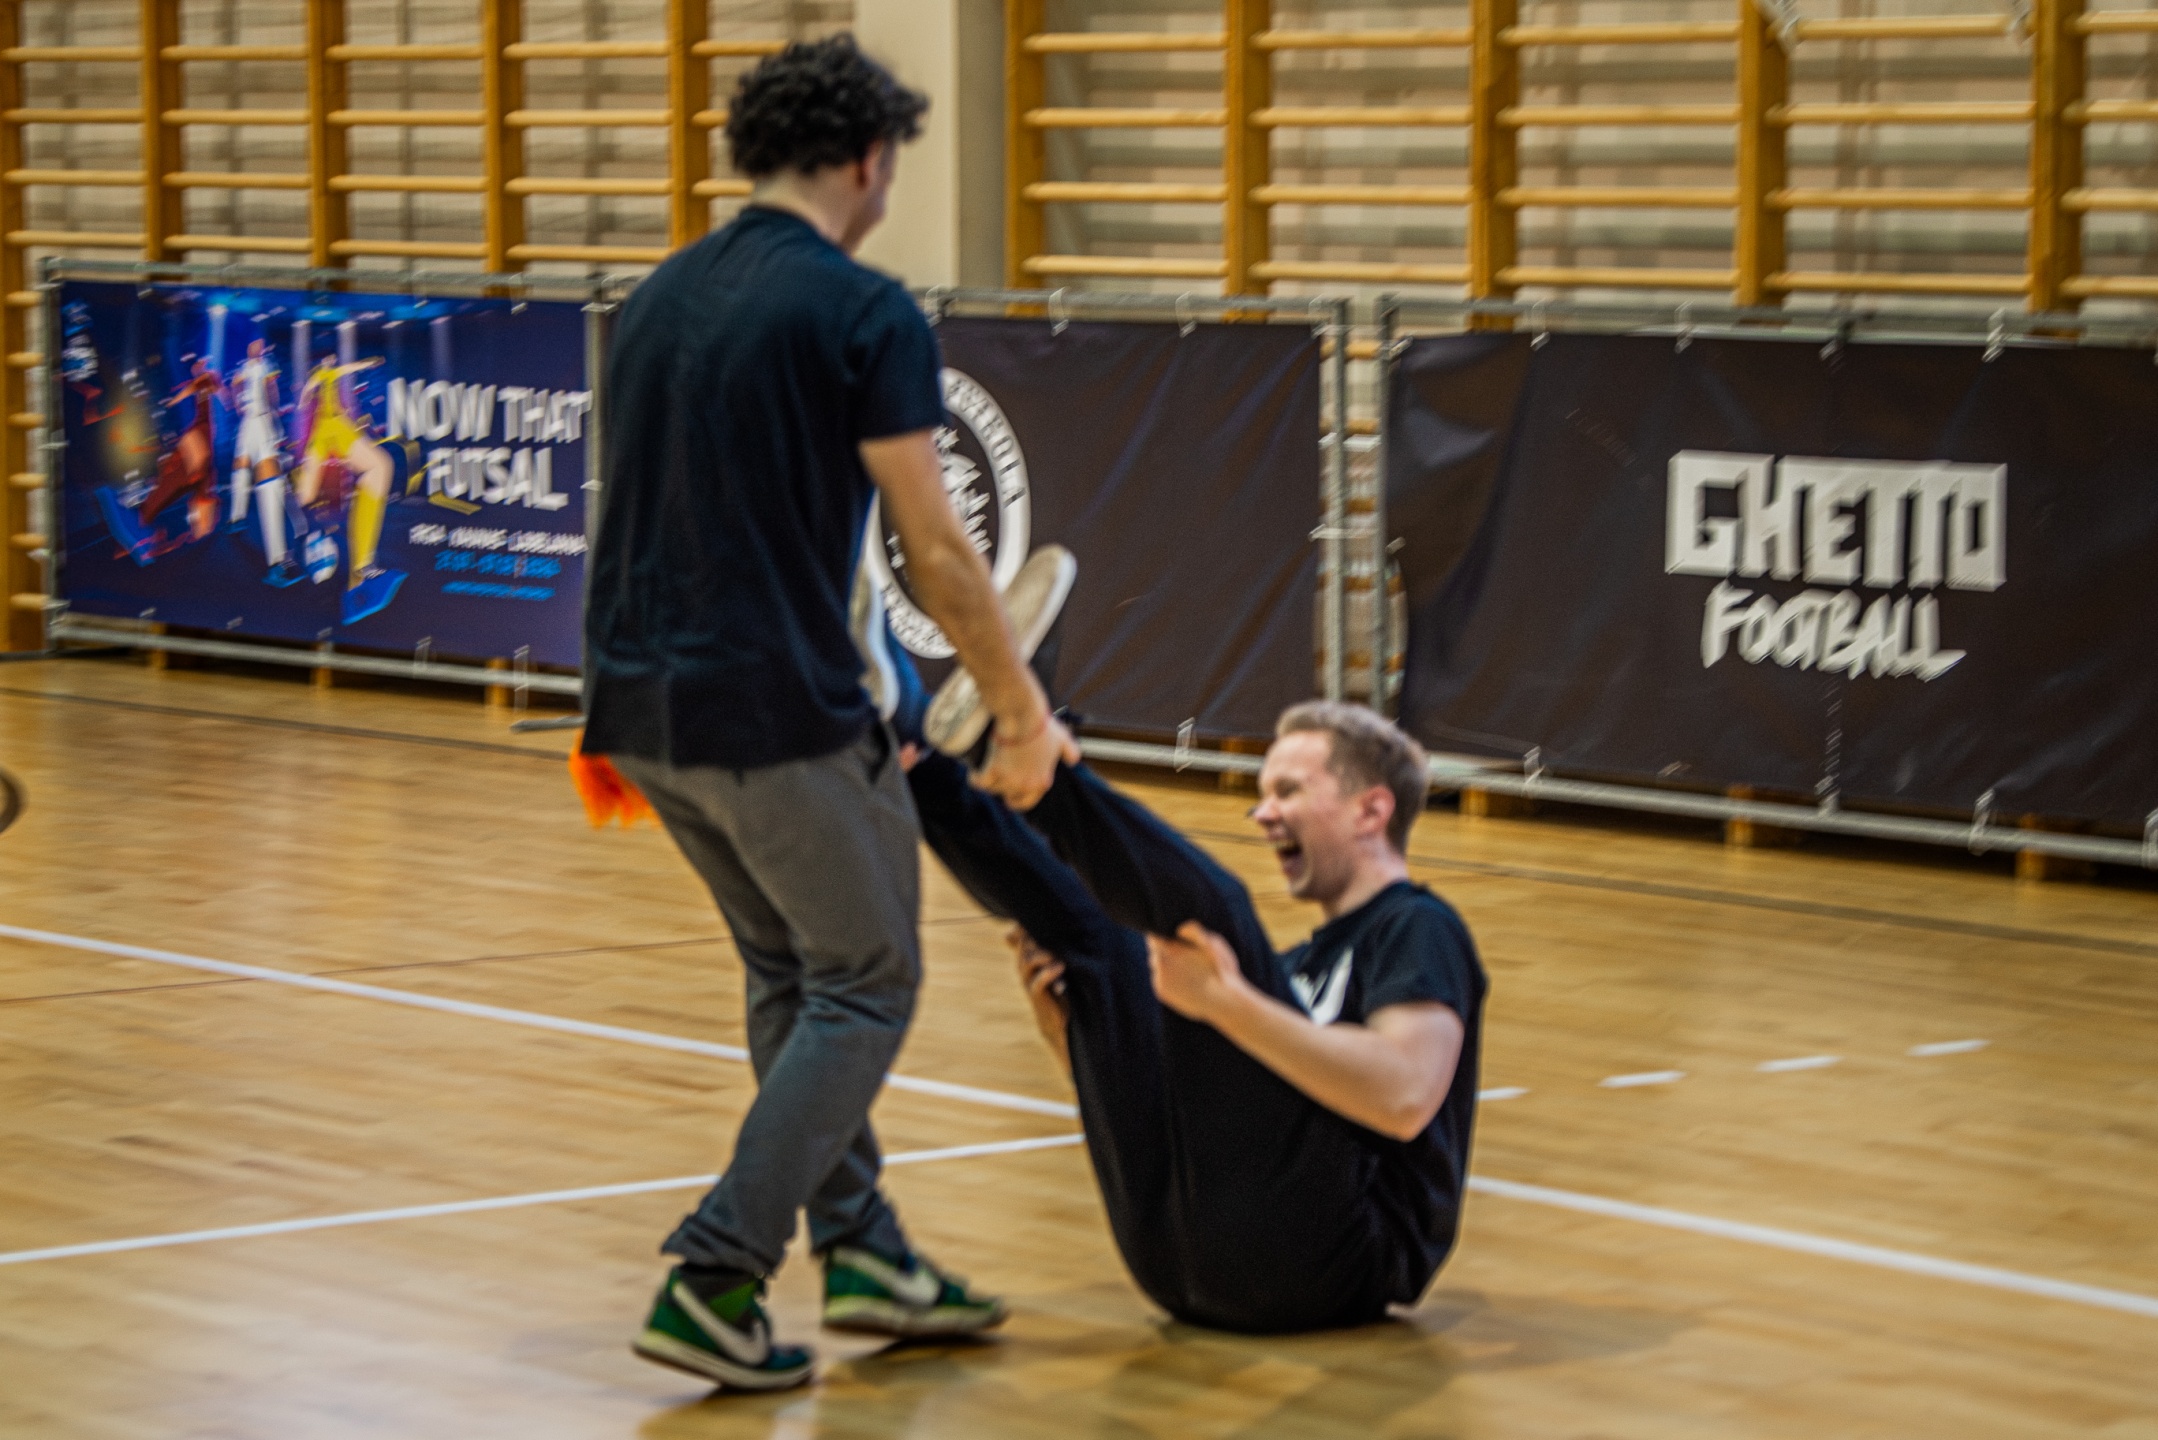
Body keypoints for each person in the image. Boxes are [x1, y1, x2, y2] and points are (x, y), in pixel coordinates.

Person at [581, 35, 1075, 1392]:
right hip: (773, 715)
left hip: (635, 706)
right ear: (867, 161)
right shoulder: (863, 312)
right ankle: (715, 1275)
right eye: (891, 164)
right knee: (868, 979)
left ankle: (863, 1252)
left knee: (795, 975)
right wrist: (1019, 711)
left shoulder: (658, 297)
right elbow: (934, 547)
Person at [905, 700, 1486, 1335]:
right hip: (1175, 1263)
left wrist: (1227, 1005)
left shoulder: (1417, 926)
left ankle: (1048, 774)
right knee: (1093, 940)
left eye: (1288, 791)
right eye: (1262, 795)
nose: (1263, 814)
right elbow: (1181, 1102)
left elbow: (1403, 1097)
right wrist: (1071, 1033)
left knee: (1209, 920)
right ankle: (918, 766)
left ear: (1372, 811)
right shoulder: (1293, 967)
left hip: (1336, 1262)